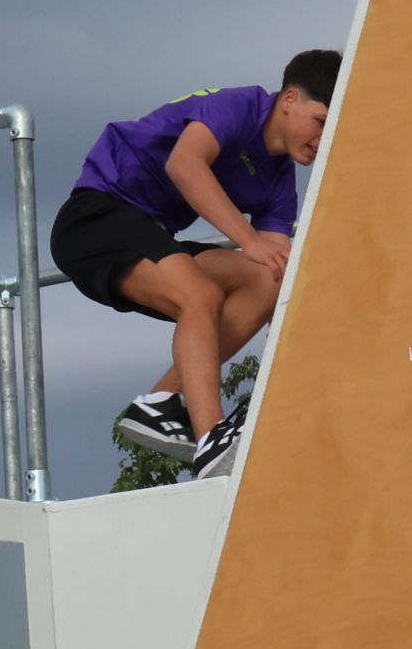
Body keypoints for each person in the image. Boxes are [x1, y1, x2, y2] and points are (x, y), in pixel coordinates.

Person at [49, 50, 339, 479]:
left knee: (266, 282)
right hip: (96, 218)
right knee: (200, 295)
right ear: (290, 99)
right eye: (320, 122)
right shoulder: (240, 107)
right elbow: (183, 164)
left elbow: (275, 265)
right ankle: (211, 440)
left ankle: (161, 401)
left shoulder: (279, 182)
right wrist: (247, 239)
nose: (322, 140)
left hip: (147, 233)